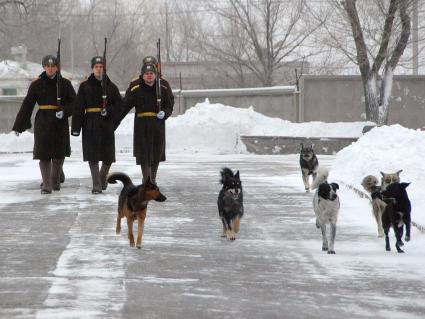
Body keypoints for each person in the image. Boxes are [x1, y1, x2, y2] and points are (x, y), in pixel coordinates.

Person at [12, 55, 76, 194]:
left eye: (53, 66)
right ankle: (47, 185)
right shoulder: (37, 84)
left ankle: (55, 180)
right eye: (48, 66)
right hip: (43, 121)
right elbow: (28, 104)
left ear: (57, 67)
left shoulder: (64, 83)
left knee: (59, 153)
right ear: (44, 67)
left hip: (59, 121)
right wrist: (19, 125)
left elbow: (74, 103)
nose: (51, 69)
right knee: (44, 153)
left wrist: (65, 111)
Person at [117, 63, 173, 189]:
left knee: (156, 152)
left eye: (151, 73)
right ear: (142, 76)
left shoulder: (162, 88)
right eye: (146, 74)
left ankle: (152, 178)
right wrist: (114, 120)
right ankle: (147, 179)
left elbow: (169, 105)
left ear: (155, 74)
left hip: (157, 124)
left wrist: (165, 113)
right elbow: (125, 105)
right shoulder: (136, 88)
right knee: (144, 154)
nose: (149, 76)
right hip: (142, 124)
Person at [71, 56, 122, 194]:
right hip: (90, 123)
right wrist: (76, 128)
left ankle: (102, 176)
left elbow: (120, 106)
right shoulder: (84, 86)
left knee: (108, 156)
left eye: (101, 67)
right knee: (92, 156)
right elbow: (79, 108)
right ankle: (96, 184)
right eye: (96, 67)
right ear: (92, 69)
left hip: (106, 124)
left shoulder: (111, 87)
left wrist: (109, 112)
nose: (99, 69)